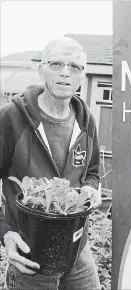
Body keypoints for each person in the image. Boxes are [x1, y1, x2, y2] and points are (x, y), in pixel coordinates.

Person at [0, 37, 102, 290]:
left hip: (78, 247)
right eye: (56, 64)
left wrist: (90, 188)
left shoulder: (86, 120)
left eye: (75, 67)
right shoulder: (11, 118)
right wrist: (5, 233)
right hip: (30, 253)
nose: (66, 72)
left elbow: (91, 172)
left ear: (82, 75)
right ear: (40, 69)